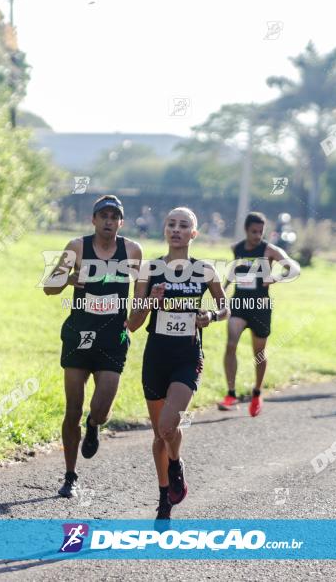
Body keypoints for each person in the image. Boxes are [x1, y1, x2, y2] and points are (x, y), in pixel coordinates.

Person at [127, 207, 230, 520]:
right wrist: (149, 302)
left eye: (183, 225)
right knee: (159, 435)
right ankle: (164, 498)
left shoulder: (204, 270)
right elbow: (132, 323)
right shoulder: (150, 269)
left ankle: (176, 465)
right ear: (164, 229)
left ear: (193, 234)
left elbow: (225, 307)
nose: (176, 229)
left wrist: (210, 316)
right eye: (171, 223)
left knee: (168, 424)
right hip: (156, 356)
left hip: (187, 357)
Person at [43, 195, 143, 498]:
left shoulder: (132, 250)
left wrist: (136, 319)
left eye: (114, 217)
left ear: (121, 222)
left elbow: (140, 293)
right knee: (72, 408)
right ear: (94, 220)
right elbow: (50, 287)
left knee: (100, 409)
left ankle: (94, 424)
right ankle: (70, 475)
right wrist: (71, 278)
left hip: (113, 336)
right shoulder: (77, 247)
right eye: (104, 216)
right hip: (79, 333)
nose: (109, 221)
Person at [218, 212, 300, 416]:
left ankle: (257, 392)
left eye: (261, 232)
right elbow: (233, 271)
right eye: (254, 231)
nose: (257, 236)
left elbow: (293, 268)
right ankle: (231, 393)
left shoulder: (269, 250)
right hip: (239, 303)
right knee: (231, 343)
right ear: (246, 230)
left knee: (259, 354)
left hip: (260, 307)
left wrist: (276, 278)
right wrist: (222, 291)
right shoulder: (237, 248)